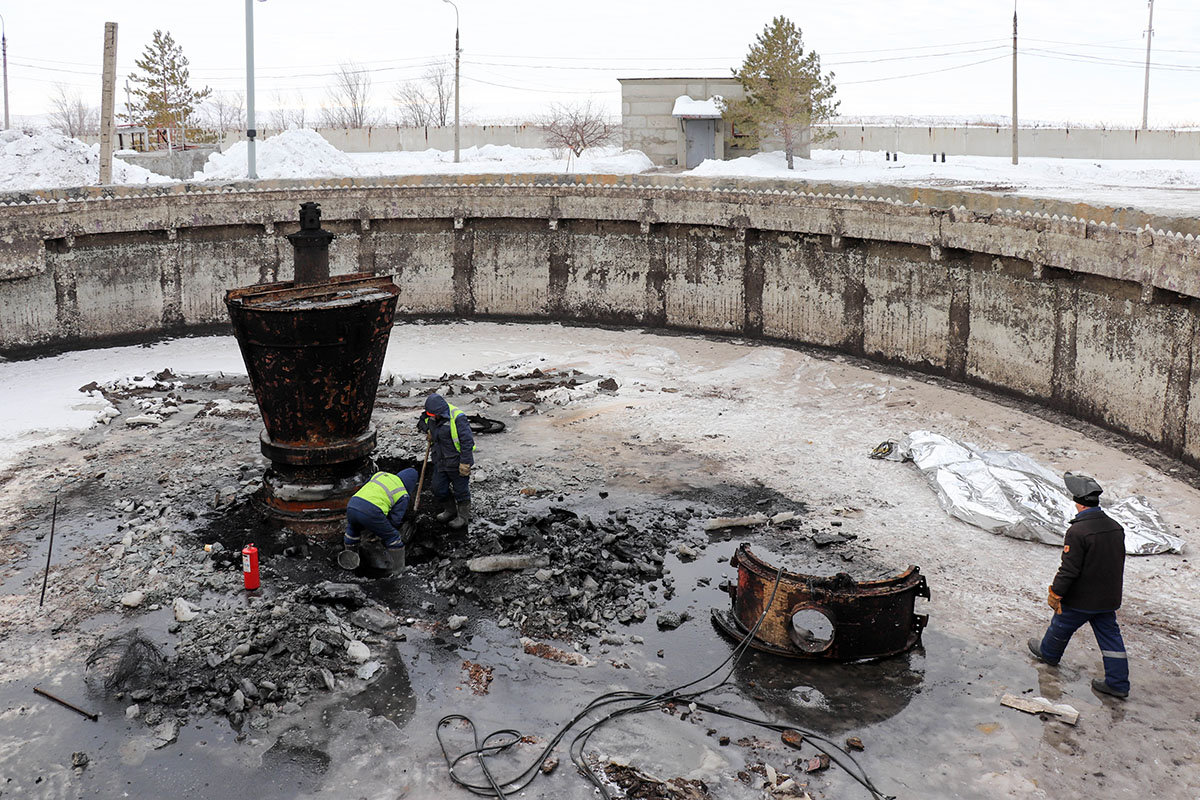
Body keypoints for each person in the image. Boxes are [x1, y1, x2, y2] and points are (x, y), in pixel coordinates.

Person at [1027, 472, 1130, 699]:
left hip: (1082, 599)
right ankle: (1118, 684)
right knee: (1111, 639)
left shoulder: (1078, 531)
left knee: (1061, 625)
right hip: (1107, 599)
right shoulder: (1115, 527)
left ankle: (1049, 654)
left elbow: (1069, 570)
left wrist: (1056, 592)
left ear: (1078, 503)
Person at [416, 393, 475, 530]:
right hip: (440, 460)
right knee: (438, 488)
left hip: (457, 461)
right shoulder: (430, 416)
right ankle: (450, 510)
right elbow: (421, 422)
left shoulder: (457, 418)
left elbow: (467, 442)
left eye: (434, 415)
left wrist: (465, 462)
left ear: (440, 411)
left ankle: (463, 517)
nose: (431, 417)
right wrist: (428, 430)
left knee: (461, 491)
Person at [342, 467, 418, 569]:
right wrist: (382, 532)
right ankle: (399, 571)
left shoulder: (380, 474)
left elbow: (365, 487)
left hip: (353, 504)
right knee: (393, 538)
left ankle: (350, 564)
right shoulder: (402, 493)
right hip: (372, 511)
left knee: (353, 530)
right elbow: (395, 520)